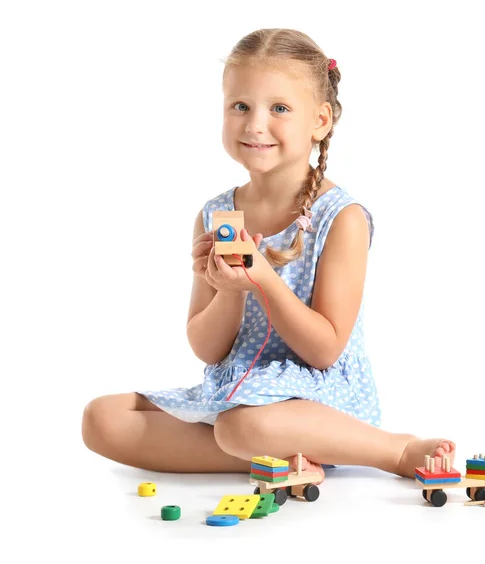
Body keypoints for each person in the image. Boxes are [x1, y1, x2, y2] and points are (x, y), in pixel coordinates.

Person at [82, 28, 455, 481]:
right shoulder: (216, 213)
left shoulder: (342, 218)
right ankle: (284, 457)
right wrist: (230, 291)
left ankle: (391, 451)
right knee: (101, 419)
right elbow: (207, 348)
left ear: (320, 121)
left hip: (315, 399)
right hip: (235, 392)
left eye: (279, 108)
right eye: (240, 106)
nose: (255, 124)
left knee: (245, 425)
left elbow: (324, 350)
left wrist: (264, 280)